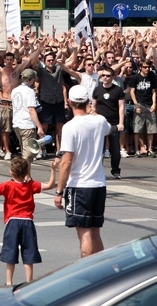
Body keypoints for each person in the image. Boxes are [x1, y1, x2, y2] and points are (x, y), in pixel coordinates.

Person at [0, 157, 58, 285]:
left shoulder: (8, 185)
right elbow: (50, 185)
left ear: (12, 173)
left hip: (12, 222)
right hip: (28, 222)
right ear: (26, 172)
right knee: (28, 253)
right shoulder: (31, 185)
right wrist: (53, 169)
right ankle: (29, 282)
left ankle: (9, 282)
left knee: (10, 253)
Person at [54, 85, 112, 258]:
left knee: (85, 234)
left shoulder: (70, 127)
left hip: (79, 185)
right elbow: (108, 128)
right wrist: (92, 111)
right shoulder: (99, 121)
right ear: (88, 102)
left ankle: (88, 274)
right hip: (98, 183)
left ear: (69, 102)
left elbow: (67, 162)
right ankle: (103, 271)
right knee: (95, 232)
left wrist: (59, 191)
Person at [91, 66, 125, 179]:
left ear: (113, 77)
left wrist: (121, 123)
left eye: (108, 76)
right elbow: (94, 107)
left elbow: (121, 107)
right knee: (98, 150)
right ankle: (98, 171)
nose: (105, 78)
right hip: (99, 124)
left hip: (114, 123)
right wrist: (93, 117)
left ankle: (116, 171)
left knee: (115, 150)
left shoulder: (118, 90)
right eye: (103, 75)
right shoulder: (97, 89)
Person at [11, 68, 45, 161]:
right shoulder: (29, 91)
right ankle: (25, 175)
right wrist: (39, 127)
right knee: (28, 155)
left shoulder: (14, 90)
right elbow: (31, 109)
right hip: (27, 125)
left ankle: (27, 175)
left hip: (17, 124)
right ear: (32, 79)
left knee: (24, 150)